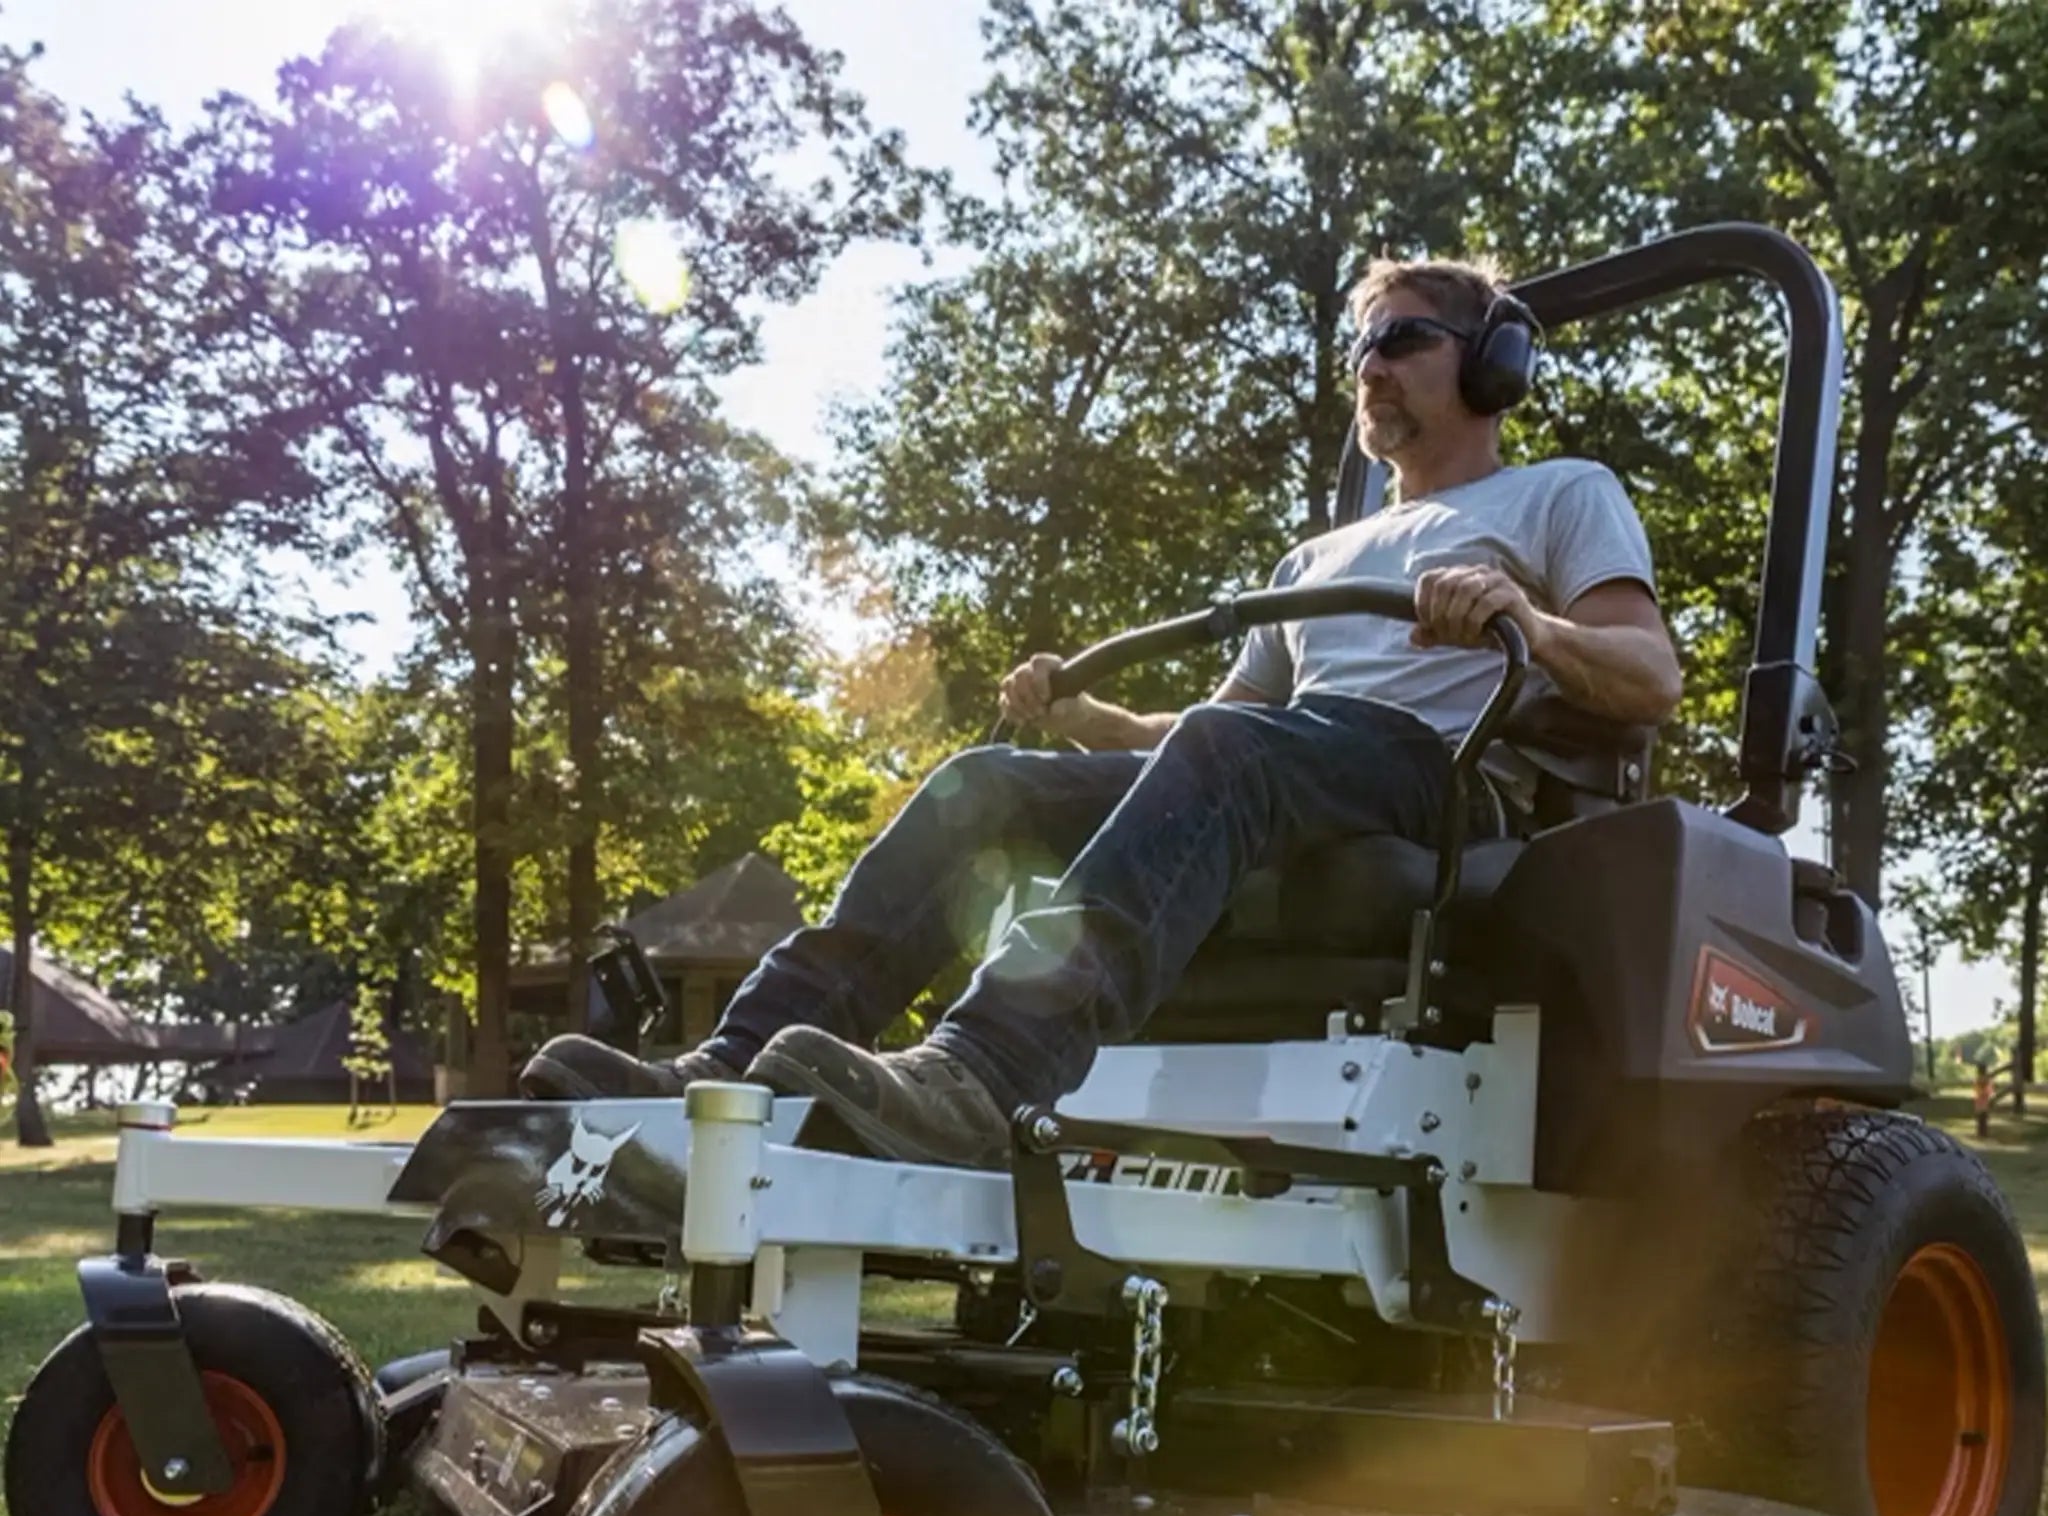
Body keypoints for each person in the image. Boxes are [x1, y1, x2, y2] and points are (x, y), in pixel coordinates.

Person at [521, 257, 1683, 1168]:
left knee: (1232, 750)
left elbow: (1648, 675)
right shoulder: (1316, 552)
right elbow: (1201, 738)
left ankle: (986, 1067)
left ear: (1489, 366)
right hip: (1293, 769)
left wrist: (1522, 622)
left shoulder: (1559, 494)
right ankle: (731, 1063)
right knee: (985, 785)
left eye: (1401, 338)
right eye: (1357, 347)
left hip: (1433, 777)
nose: (1369, 365)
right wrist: (1080, 714)